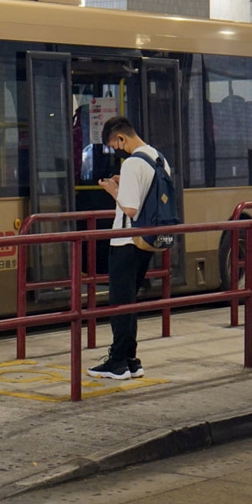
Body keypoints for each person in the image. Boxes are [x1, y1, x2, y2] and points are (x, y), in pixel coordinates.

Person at [88, 115, 170, 381]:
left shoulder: (133, 163)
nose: (116, 151)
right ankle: (131, 360)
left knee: (120, 303)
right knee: (129, 300)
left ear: (121, 138)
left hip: (126, 241)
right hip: (146, 241)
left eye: (115, 145)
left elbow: (131, 209)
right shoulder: (158, 158)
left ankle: (118, 362)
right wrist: (124, 184)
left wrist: (113, 189)